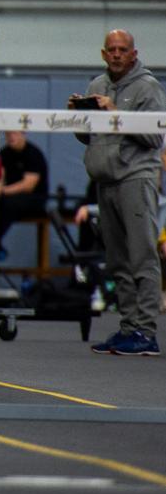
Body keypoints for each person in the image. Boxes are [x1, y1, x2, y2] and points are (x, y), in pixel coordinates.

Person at [72, 31, 164, 356]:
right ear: (103, 53)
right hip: (105, 180)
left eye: (122, 50)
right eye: (111, 50)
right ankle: (128, 327)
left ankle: (147, 331)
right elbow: (89, 138)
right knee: (117, 261)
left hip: (135, 179)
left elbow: (155, 139)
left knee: (142, 256)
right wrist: (80, 117)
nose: (116, 55)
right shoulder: (96, 85)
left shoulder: (148, 87)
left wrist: (115, 115)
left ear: (133, 53)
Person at [0, 130, 50, 257]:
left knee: (8, 205)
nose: (11, 137)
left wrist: (2, 191)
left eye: (14, 133)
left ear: (23, 134)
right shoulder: (4, 153)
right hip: (9, 197)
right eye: (8, 134)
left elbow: (28, 185)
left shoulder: (33, 154)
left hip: (34, 199)